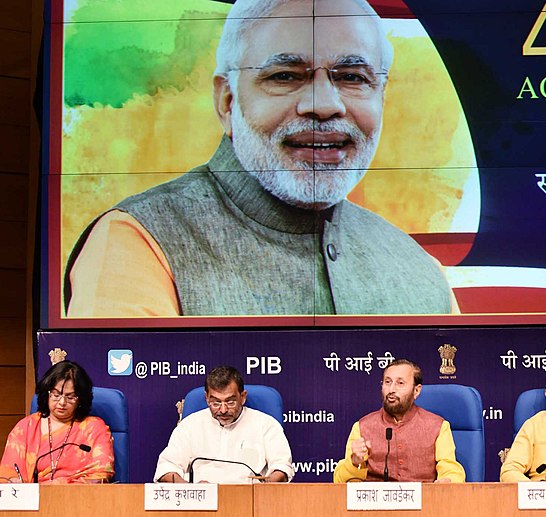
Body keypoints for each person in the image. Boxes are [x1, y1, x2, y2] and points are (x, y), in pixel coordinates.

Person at [64, 0, 457, 318]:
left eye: (352, 78)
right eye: (285, 76)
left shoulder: (420, 272)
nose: (323, 105)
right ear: (227, 101)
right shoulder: (137, 243)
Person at [154, 365, 293, 483]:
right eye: (216, 402)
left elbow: (282, 466)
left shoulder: (266, 424)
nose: (223, 409)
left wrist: (268, 484)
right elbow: (167, 468)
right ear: (207, 398)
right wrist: (189, 489)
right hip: (201, 504)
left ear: (243, 397)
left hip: (250, 502)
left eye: (230, 402)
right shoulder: (189, 426)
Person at [333, 359, 465, 483]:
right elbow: (340, 483)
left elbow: (451, 470)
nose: (391, 390)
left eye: (400, 383)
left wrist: (448, 482)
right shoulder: (362, 427)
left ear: (416, 391)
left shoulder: (438, 426)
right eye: (387, 382)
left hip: (424, 504)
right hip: (375, 506)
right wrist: (354, 463)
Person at [0, 361, 114, 483]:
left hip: (79, 498)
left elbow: (101, 474)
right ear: (46, 394)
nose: (62, 402)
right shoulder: (26, 427)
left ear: (80, 400)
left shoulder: (94, 428)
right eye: (56, 395)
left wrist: (58, 487)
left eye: (70, 397)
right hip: (33, 500)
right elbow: (7, 474)